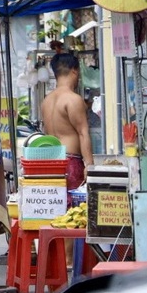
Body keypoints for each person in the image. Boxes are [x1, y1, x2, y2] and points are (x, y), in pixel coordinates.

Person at [41, 53, 94, 191]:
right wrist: (89, 165)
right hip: (70, 163)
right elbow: (83, 133)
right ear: (75, 71)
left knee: (56, 209)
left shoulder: (46, 101)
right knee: (75, 209)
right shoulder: (73, 99)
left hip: (51, 163)